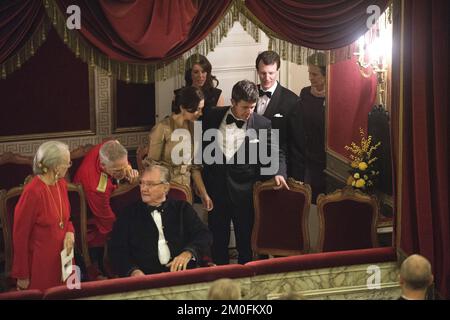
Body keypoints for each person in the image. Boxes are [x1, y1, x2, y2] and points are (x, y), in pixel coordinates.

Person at [202, 80, 289, 265]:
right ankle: (221, 284)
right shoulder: (211, 116)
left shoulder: (262, 124)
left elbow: (277, 151)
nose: (249, 112)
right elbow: (201, 148)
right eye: (245, 107)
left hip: (245, 194)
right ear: (233, 102)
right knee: (217, 242)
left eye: (253, 107)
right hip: (216, 192)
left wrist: (279, 172)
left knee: (245, 245)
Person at [108, 164, 212, 277]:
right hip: (145, 278)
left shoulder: (182, 209)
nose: (143, 189)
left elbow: (204, 235)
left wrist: (188, 253)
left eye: (150, 184)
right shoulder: (128, 214)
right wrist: (133, 271)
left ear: (165, 188)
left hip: (184, 274)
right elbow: (117, 249)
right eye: (142, 183)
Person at [12, 141, 74, 291]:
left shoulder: (61, 185)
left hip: (65, 259)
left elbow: (66, 220)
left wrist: (70, 232)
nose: (69, 166)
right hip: (41, 266)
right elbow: (20, 236)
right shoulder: (33, 192)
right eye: (67, 163)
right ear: (56, 167)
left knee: (69, 294)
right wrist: (22, 275)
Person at [73, 140, 139, 277]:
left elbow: (122, 166)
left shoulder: (112, 144)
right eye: (117, 170)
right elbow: (107, 220)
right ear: (103, 165)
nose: (122, 172)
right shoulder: (96, 187)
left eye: (124, 166)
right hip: (88, 214)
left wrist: (129, 171)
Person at [146, 86, 213, 211]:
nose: (201, 113)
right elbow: (152, 166)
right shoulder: (162, 128)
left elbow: (195, 168)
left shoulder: (196, 129)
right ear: (183, 107)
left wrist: (204, 194)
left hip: (186, 190)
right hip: (165, 190)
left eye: (201, 109)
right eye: (197, 109)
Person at [289, 52, 327, 202]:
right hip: (306, 157)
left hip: (324, 160)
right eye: (309, 73)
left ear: (325, 74)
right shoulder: (305, 93)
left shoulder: (333, 97)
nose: (310, 77)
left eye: (315, 74)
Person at [255, 51, 298, 179]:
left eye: (271, 73)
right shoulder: (249, 93)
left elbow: (296, 144)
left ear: (277, 71)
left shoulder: (292, 100)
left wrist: (293, 177)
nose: (267, 78)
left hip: (276, 169)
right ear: (257, 71)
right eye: (263, 73)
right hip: (250, 168)